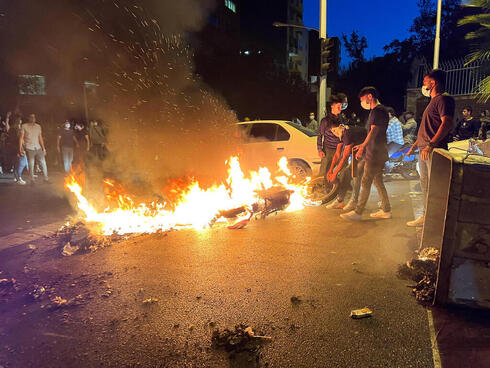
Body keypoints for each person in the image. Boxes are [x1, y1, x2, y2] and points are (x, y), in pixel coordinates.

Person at [406, 69, 455, 227]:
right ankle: (427, 217)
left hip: (432, 151)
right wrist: (416, 145)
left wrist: (431, 145)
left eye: (425, 82)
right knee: (426, 185)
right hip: (424, 149)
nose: (423, 85)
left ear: (433, 83)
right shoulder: (433, 102)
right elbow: (427, 127)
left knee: (433, 187)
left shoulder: (443, 99)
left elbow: (447, 123)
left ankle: (435, 220)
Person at [341, 86, 391, 221]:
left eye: (362, 98)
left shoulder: (377, 111)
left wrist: (363, 146)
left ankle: (358, 212)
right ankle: (386, 210)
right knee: (377, 181)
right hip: (377, 151)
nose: (362, 102)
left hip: (375, 153)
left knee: (366, 181)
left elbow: (373, 131)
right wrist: (363, 145)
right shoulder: (380, 111)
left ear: (370, 96)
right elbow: (373, 132)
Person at [325, 122, 367, 211]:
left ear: (340, 127)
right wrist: (331, 170)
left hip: (368, 151)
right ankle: (340, 201)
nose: (334, 133)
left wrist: (334, 174)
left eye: (334, 130)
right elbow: (337, 154)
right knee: (346, 173)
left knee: (356, 175)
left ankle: (354, 202)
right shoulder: (340, 134)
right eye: (332, 131)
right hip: (358, 152)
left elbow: (344, 157)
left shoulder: (347, 133)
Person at [317, 95, 343, 179]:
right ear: (332, 106)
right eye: (338, 107)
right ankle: (321, 187)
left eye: (341, 107)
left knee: (340, 170)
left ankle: (338, 188)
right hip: (328, 149)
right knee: (324, 170)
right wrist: (320, 150)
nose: (340, 109)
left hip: (339, 149)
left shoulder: (341, 120)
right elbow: (320, 135)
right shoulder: (325, 121)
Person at [19, 113, 49, 183]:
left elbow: (40, 137)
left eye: (34, 117)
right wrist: (20, 148)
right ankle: (32, 180)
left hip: (38, 147)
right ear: (29, 118)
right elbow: (21, 138)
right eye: (31, 117)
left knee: (43, 163)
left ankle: (46, 179)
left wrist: (43, 148)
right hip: (29, 148)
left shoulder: (38, 126)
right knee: (31, 164)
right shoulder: (24, 126)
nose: (33, 119)